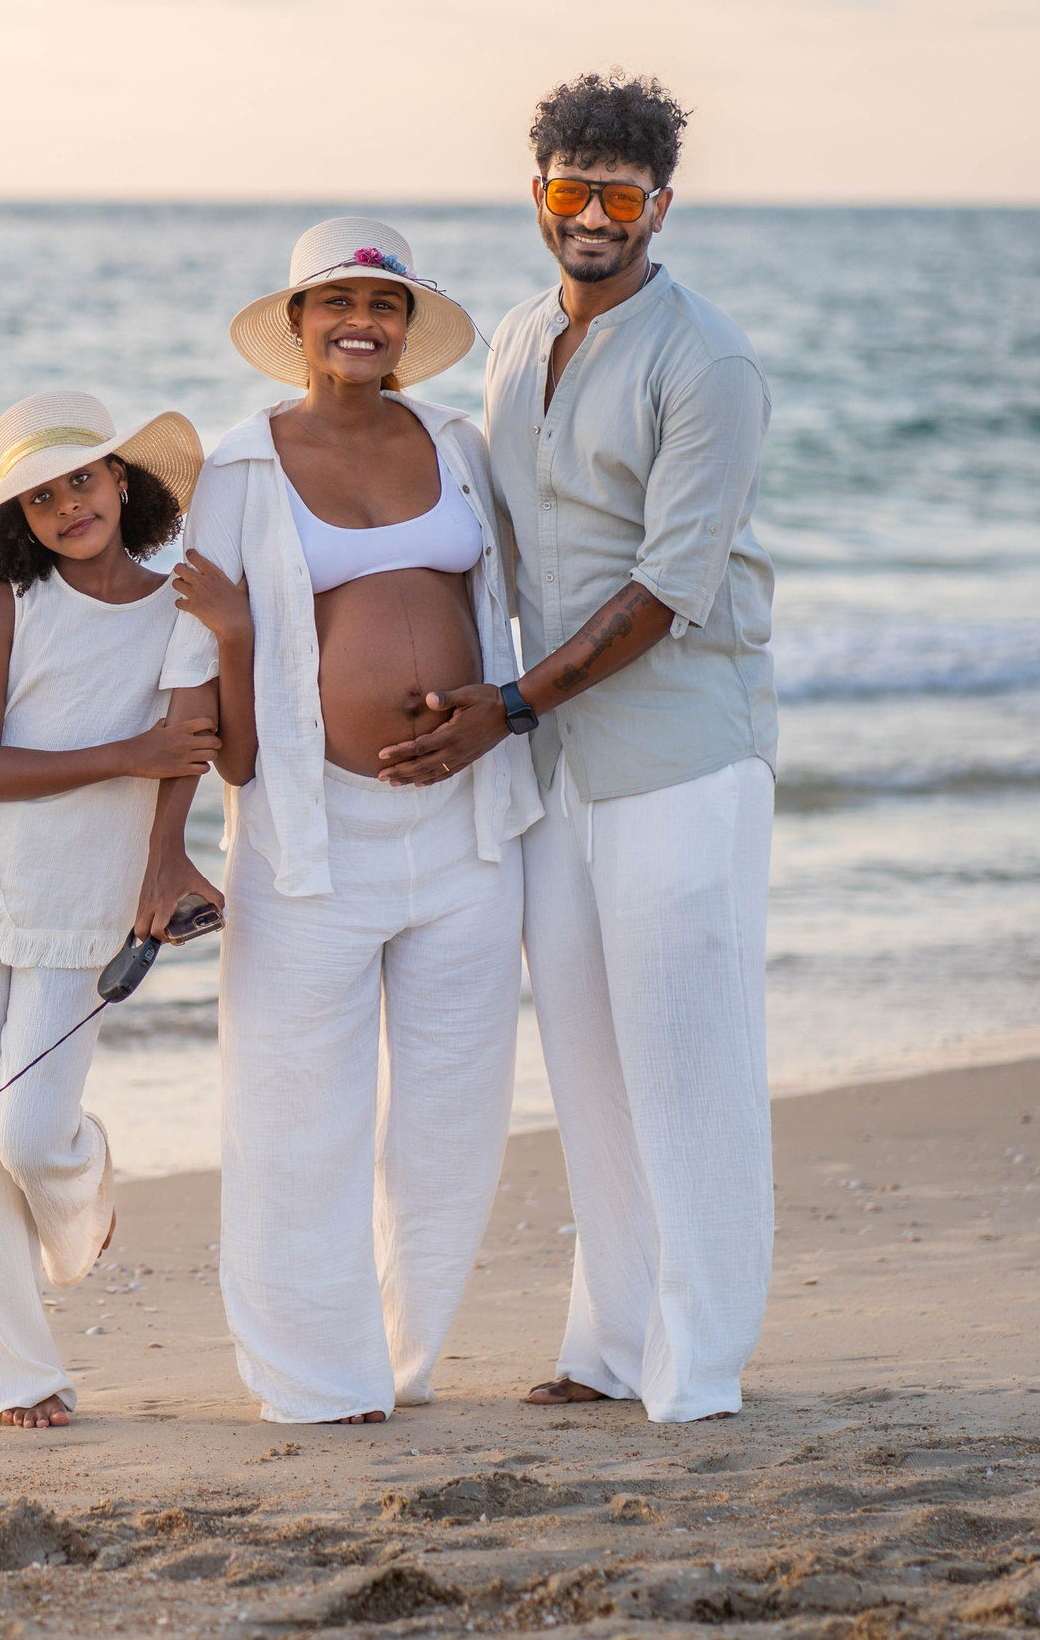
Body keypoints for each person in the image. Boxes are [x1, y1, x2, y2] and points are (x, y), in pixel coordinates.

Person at [373, 72, 778, 1423]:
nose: (592, 214)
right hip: (550, 762)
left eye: (619, 193)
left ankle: (699, 1365)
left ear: (661, 204)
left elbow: (670, 585)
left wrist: (510, 703)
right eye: (569, 188)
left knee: (690, 1056)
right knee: (594, 1068)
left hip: (675, 749)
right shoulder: (505, 342)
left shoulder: (703, 356)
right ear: (535, 191)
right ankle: (609, 1346)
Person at [146, 218, 542, 1426]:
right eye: (331, 304)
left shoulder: (462, 446)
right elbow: (185, 673)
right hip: (310, 843)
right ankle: (311, 1380)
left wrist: (509, 718)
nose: (356, 322)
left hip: (468, 834)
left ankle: (400, 1361)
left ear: (407, 328)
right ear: (297, 324)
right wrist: (163, 852)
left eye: (380, 304)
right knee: (291, 1116)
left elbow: (526, 593)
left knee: (450, 1118)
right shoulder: (239, 468)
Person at [0, 389, 228, 1429]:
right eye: (40, 497)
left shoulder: (183, 604)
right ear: (19, 518)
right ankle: (11, 1376)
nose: (66, 507)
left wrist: (163, 858)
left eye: (81, 480)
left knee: (31, 1132)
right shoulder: (7, 603)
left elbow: (193, 748)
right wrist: (125, 754)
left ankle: (81, 1180)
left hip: (90, 885)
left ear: (121, 480)